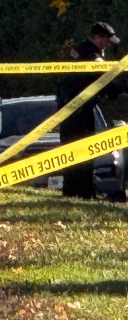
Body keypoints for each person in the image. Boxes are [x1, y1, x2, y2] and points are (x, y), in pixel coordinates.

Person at [57, 22, 122, 199]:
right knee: (84, 151)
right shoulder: (91, 57)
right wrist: (119, 89)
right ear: (96, 37)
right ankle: (83, 192)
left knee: (71, 151)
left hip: (69, 110)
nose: (108, 44)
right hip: (79, 111)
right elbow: (102, 80)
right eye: (106, 40)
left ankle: (72, 191)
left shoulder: (79, 51)